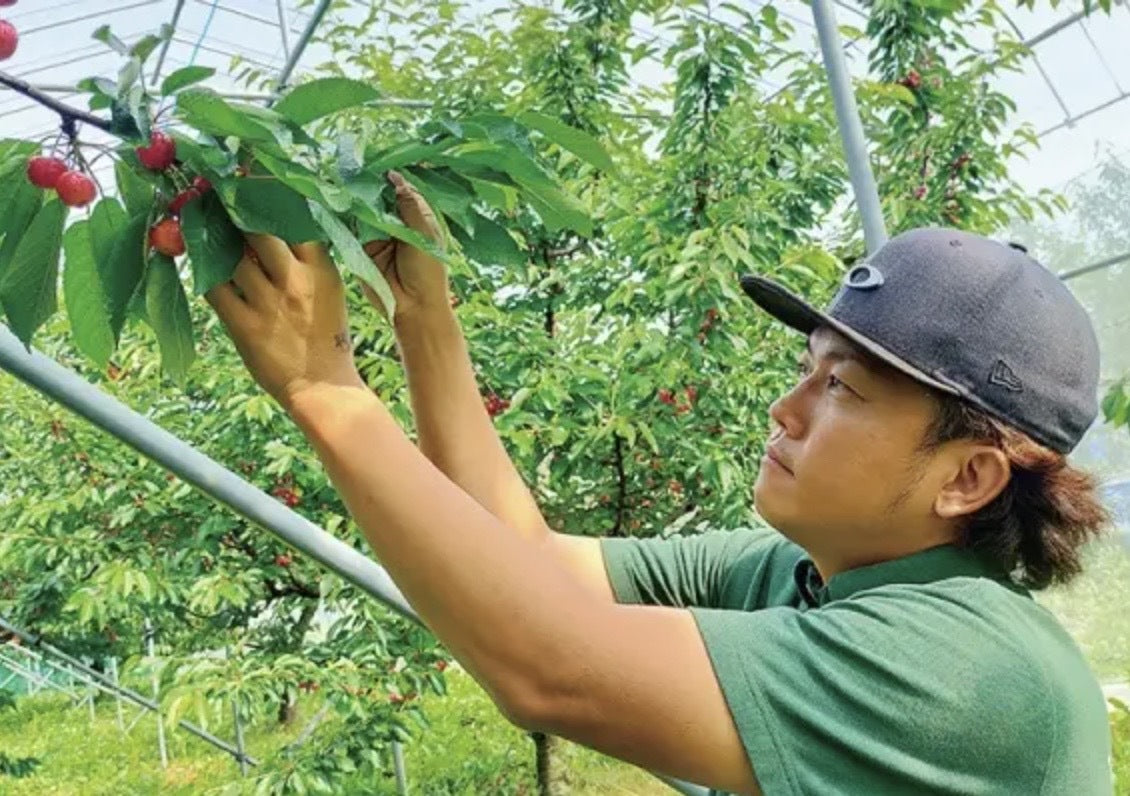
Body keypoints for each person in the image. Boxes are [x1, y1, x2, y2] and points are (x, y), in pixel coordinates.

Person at [205, 172, 1113, 796]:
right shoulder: (795, 575)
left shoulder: (971, 672)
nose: (784, 409)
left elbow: (551, 668)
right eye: (807, 368)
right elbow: (532, 569)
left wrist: (326, 390)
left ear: (967, 478)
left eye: (840, 388)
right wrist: (423, 322)